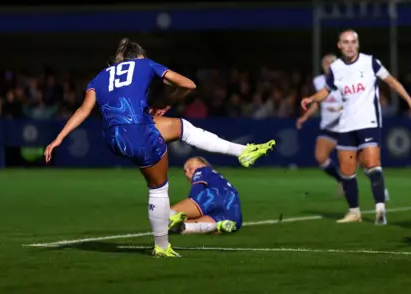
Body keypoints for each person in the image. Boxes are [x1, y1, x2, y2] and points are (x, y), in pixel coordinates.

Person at [44, 39, 273, 258]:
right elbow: (188, 84)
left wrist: (58, 138)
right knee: (158, 186)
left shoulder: (99, 77)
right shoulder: (145, 64)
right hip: (138, 131)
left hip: (114, 136)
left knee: (181, 127)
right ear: (139, 56)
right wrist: (171, 101)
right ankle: (161, 247)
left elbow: (84, 110)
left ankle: (242, 151)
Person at [302, 30, 411, 225]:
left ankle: (380, 210)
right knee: (347, 171)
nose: (350, 45)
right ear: (339, 46)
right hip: (346, 125)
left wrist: (410, 101)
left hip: (369, 122)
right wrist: (311, 99)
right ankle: (354, 212)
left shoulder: (370, 62)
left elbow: (391, 81)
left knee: (372, 163)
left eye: (353, 42)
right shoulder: (337, 69)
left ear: (358, 45)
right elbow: (326, 91)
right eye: (345, 42)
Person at [296, 54, 343, 195]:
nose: (328, 64)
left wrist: (340, 108)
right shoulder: (318, 81)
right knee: (320, 157)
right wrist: (305, 117)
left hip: (346, 126)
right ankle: (341, 180)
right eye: (325, 62)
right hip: (328, 127)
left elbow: (353, 101)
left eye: (331, 62)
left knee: (358, 161)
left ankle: (380, 189)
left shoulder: (345, 80)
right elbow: (317, 103)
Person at [168, 156, 241, 235]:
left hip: (213, 196)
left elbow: (196, 194)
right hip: (234, 211)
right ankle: (217, 226)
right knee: (181, 227)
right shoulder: (218, 178)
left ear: (202, 165)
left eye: (190, 168)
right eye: (185, 171)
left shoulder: (202, 170)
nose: (187, 173)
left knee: (166, 216)